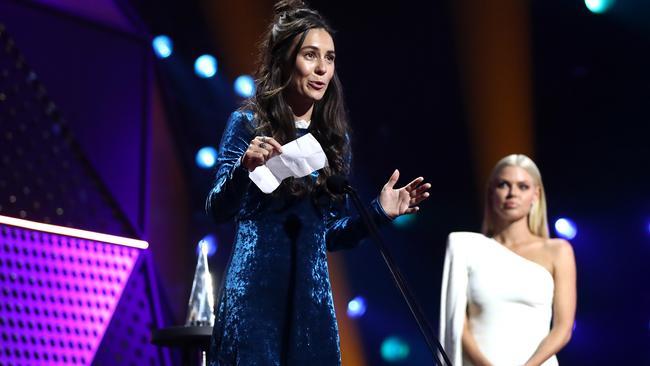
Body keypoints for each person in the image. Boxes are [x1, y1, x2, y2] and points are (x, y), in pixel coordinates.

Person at [205, 1, 431, 364]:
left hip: (312, 306)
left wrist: (379, 212)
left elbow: (328, 233)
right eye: (311, 55)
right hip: (255, 299)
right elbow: (217, 208)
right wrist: (244, 168)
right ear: (284, 60)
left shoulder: (334, 140)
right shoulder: (247, 124)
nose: (322, 68)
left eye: (330, 57)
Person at [439, 154, 576, 366]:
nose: (512, 193)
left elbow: (563, 328)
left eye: (523, 186)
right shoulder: (468, 248)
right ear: (491, 193)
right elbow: (457, 323)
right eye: (504, 185)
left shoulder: (558, 251)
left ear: (536, 195)